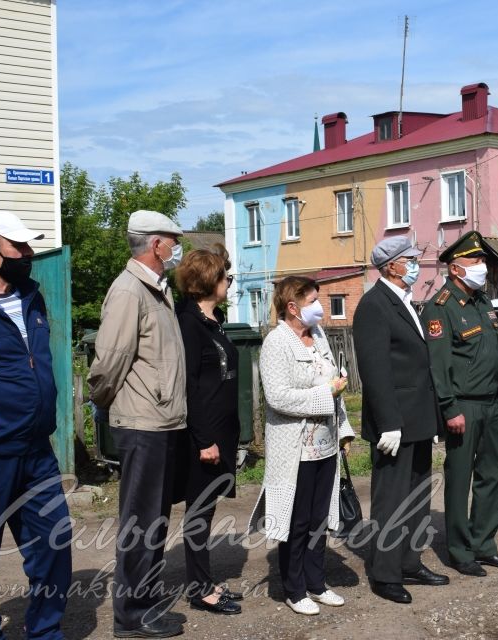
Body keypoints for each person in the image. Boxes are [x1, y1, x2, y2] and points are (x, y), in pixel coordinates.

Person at [0, 211, 71, 640]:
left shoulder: (33, 295)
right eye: (18, 246)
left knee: (54, 545)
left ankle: (45, 632)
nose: (27, 254)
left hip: (37, 450)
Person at [88, 209, 187, 638]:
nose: (176, 247)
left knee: (154, 524)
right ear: (155, 243)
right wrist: (108, 404)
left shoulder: (157, 289)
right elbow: (108, 361)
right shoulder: (130, 290)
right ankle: (130, 617)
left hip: (161, 422)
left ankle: (144, 607)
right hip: (142, 423)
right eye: (172, 239)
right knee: (140, 525)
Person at [248, 276, 354, 615]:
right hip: (294, 450)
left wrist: (344, 432)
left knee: (318, 518)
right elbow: (278, 398)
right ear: (293, 307)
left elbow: (334, 381)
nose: (319, 308)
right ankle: (294, 589)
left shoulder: (318, 335)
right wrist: (328, 393)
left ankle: (317, 583)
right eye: (312, 301)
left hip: (325, 444)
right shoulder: (276, 343)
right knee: (296, 520)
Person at [353, 235, 448, 604]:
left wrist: (433, 419)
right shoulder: (374, 304)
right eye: (409, 258)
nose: (415, 263)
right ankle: (385, 572)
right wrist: (389, 422)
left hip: (418, 418)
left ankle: (410, 562)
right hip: (395, 423)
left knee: (417, 494)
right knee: (391, 499)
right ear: (390, 265)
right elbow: (375, 371)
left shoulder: (406, 301)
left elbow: (418, 365)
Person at [420, 231, 498, 577]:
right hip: (463, 405)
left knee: (494, 472)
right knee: (460, 477)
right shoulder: (440, 307)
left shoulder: (483, 302)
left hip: (491, 403)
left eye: (483, 260)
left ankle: (484, 544)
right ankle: (460, 551)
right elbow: (439, 364)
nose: (483, 267)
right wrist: (449, 408)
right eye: (476, 261)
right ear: (455, 269)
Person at [174, 245, 243, 616]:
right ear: (208, 281)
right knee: (198, 514)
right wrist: (204, 440)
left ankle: (205, 581)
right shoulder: (187, 323)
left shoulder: (211, 321)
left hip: (219, 432)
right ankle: (200, 590)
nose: (229, 283)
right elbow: (189, 386)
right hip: (203, 438)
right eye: (225, 277)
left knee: (206, 511)